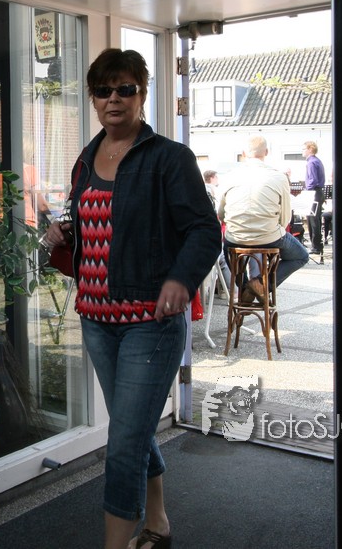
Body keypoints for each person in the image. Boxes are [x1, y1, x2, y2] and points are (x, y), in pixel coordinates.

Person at [40, 48, 221, 549]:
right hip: (97, 318)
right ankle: (158, 523)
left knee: (122, 442)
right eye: (104, 90)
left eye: (125, 89)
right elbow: (94, 224)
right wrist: (62, 233)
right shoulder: (86, 159)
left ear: (142, 95)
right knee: (131, 427)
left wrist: (181, 279)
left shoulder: (169, 158)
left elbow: (205, 230)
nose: (114, 99)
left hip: (150, 321)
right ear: (93, 99)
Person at [218, 136, 309, 303]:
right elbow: (285, 218)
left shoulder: (229, 176)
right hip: (269, 237)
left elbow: (221, 214)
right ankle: (260, 284)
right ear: (266, 152)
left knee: (228, 250)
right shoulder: (279, 177)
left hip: (235, 238)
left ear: (243, 153)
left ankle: (244, 289)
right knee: (301, 256)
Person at [302, 140, 326, 255]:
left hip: (313, 193)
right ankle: (317, 245)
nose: (302, 151)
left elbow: (312, 180)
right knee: (315, 219)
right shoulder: (317, 161)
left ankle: (315, 246)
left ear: (310, 149)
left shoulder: (311, 162)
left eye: (304, 149)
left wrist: (306, 192)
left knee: (313, 220)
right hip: (318, 192)